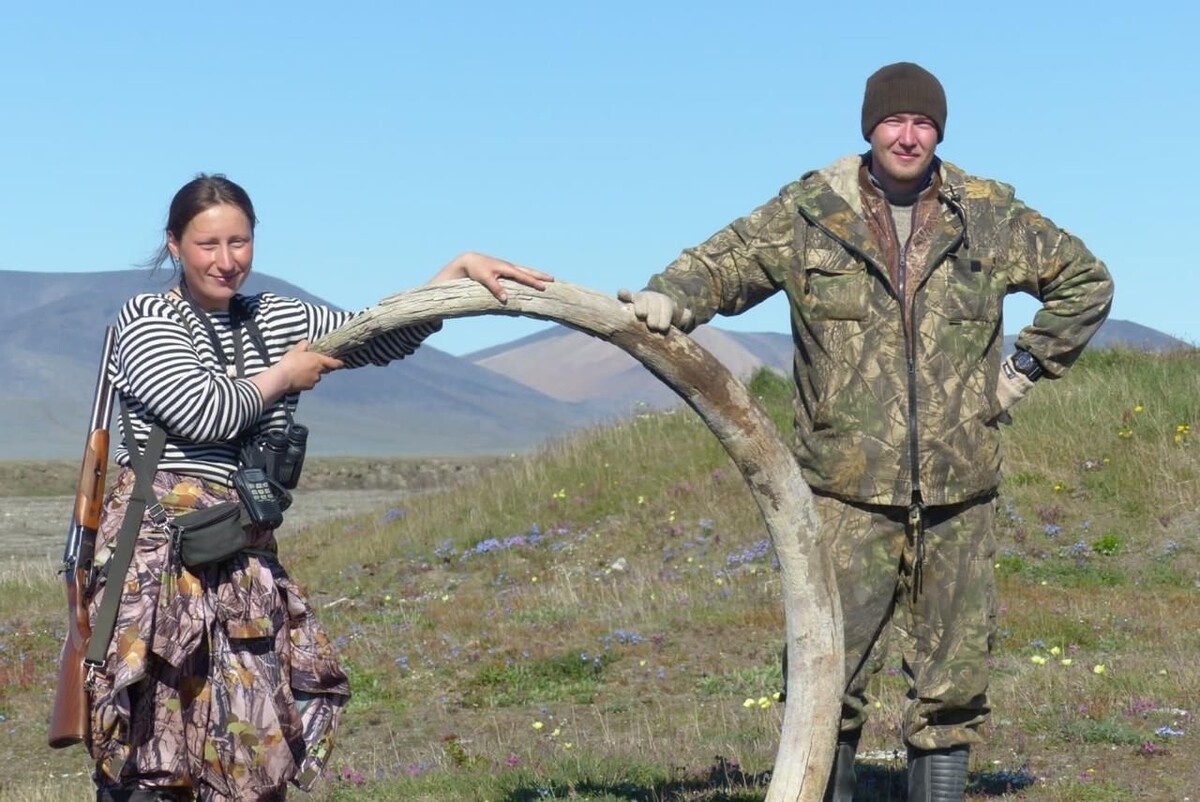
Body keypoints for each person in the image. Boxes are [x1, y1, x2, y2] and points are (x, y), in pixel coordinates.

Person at [620, 63, 1113, 801]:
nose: (908, 135)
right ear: (869, 128)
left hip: (960, 488)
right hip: (843, 493)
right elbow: (722, 265)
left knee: (952, 685)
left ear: (938, 131)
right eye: (894, 121)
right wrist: (668, 298)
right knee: (828, 675)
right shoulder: (811, 211)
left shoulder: (987, 215)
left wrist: (1019, 373)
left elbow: (1086, 281)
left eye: (923, 123)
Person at [85, 173, 551, 801]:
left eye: (240, 242)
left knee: (250, 744)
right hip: (158, 565)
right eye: (208, 244)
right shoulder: (146, 319)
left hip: (241, 555)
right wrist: (285, 376)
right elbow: (203, 411)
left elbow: (378, 333)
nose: (227, 261)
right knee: (154, 746)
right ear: (173, 245)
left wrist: (454, 278)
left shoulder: (277, 315)